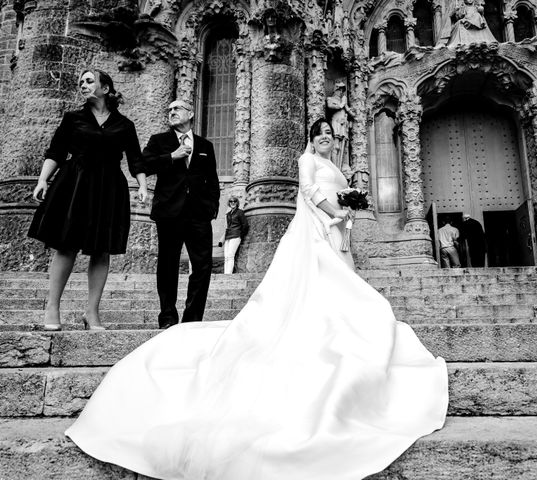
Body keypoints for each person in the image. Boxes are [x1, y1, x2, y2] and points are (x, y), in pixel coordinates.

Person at [65, 118, 448, 480]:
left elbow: (333, 190)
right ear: (312, 138)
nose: (327, 137)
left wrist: (347, 209)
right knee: (327, 283)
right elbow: (310, 191)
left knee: (342, 284)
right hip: (318, 228)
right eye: (322, 133)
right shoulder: (306, 160)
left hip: (337, 230)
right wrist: (335, 212)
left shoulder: (336, 164)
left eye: (331, 132)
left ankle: (339, 324)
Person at [28, 69, 147, 331]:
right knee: (66, 244)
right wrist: (42, 180)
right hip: (75, 183)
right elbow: (56, 151)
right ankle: (52, 307)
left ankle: (91, 313)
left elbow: (135, 158)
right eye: (81, 81)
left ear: (105, 88)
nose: (83, 84)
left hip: (109, 188)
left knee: (102, 249)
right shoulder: (73, 118)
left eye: (89, 81)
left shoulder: (125, 125)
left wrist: (142, 185)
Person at [142, 99, 220, 329]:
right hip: (169, 212)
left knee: (203, 265)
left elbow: (212, 180)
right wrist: (171, 156)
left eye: (177, 108)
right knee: (167, 264)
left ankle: (193, 318)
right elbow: (144, 164)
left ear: (191, 113)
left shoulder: (206, 145)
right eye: (169, 110)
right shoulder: (159, 141)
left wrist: (212, 206)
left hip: (198, 214)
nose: (172, 112)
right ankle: (167, 316)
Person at [218, 195, 249, 274]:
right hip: (228, 236)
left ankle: (228, 274)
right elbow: (227, 227)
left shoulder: (240, 212)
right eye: (231, 201)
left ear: (237, 202)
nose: (233, 203)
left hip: (235, 236)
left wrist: (240, 235)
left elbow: (245, 225)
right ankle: (226, 274)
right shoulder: (228, 214)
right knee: (226, 257)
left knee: (231, 256)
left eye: (234, 201)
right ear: (229, 203)